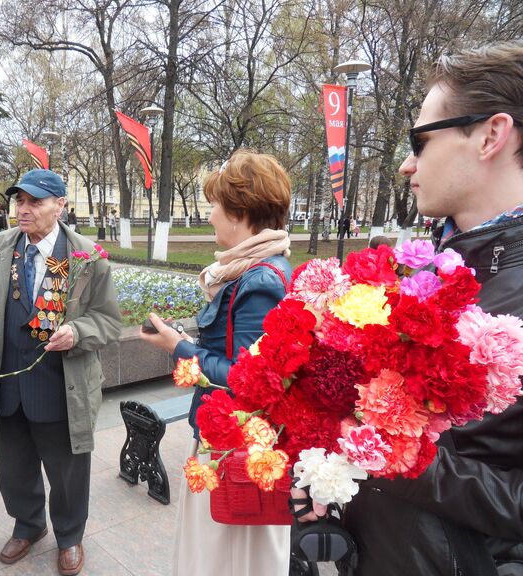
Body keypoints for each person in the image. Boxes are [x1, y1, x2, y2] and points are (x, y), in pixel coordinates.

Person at [293, 40, 523, 575]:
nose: (406, 163)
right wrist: (336, 476)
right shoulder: (427, 273)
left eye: (421, 140)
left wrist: (387, 452)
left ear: (491, 135)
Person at [140, 150, 293, 576]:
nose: (209, 216)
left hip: (233, 445)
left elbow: (248, 380)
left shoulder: (258, 280)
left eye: (214, 205)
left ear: (239, 212)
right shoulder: (259, 269)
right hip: (230, 437)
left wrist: (178, 346)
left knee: (221, 555)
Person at [0, 168, 121, 576]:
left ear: (60, 205)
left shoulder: (86, 257)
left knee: (68, 471)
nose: (23, 210)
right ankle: (28, 525)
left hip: (61, 385)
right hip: (9, 381)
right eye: (19, 201)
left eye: (34, 202)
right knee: (15, 466)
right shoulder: (1, 246)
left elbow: (108, 321)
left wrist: (78, 330)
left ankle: (70, 535)